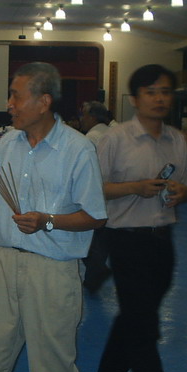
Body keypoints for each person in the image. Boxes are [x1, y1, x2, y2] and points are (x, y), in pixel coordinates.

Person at [0, 62, 107, 372]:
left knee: (52, 370)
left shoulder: (78, 149)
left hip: (53, 271)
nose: (9, 104)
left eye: (16, 97)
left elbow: (95, 216)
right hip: (3, 264)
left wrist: (48, 221)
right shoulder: (7, 143)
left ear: (43, 101)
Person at [94, 64, 187, 372]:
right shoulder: (116, 139)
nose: (159, 98)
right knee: (143, 327)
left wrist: (182, 192)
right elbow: (94, 188)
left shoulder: (176, 140)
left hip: (163, 239)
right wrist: (134, 187)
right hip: (126, 240)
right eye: (151, 92)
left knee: (135, 315)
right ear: (135, 99)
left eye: (165, 92)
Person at [79, 100, 112, 293]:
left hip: (96, 192)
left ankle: (97, 271)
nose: (81, 119)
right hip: (114, 193)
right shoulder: (113, 133)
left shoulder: (91, 138)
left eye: (83, 115)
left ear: (92, 117)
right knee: (100, 238)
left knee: (85, 236)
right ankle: (95, 274)